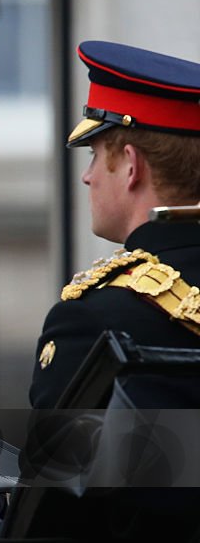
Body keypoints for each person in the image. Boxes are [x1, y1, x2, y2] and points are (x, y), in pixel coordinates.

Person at [30, 41, 200, 409]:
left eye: (94, 155)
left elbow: (53, 464)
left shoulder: (96, 319)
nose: (87, 177)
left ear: (130, 165)